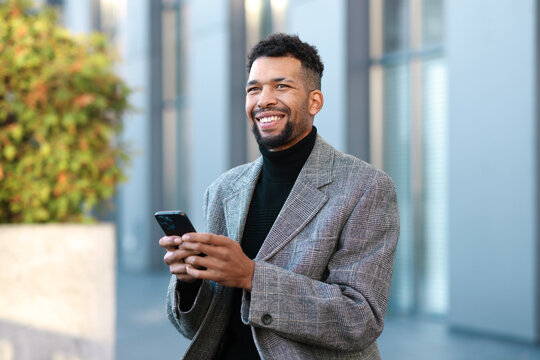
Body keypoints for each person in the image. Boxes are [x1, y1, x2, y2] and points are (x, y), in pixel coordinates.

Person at [159, 33, 399, 360]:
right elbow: (196, 328)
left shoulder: (365, 187)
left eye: (281, 86)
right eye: (254, 89)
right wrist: (191, 281)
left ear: (315, 101)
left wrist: (251, 276)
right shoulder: (223, 189)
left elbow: (359, 319)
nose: (264, 100)